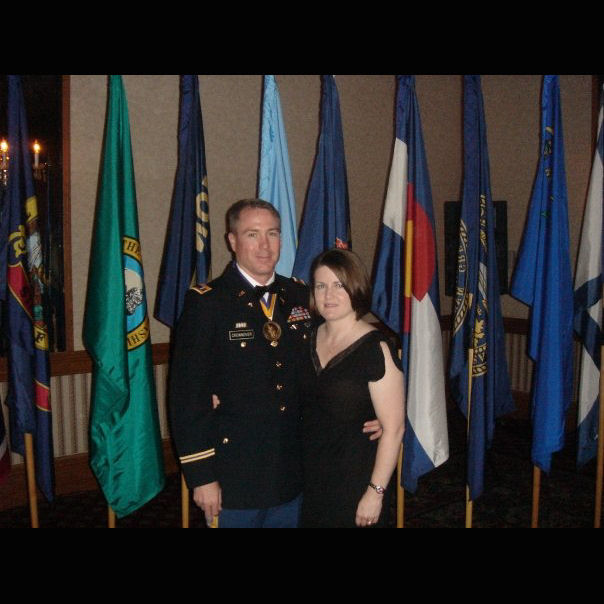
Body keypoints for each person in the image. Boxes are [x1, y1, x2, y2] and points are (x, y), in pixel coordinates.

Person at [168, 199, 380, 528]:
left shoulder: (300, 295)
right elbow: (187, 397)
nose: (265, 246)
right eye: (252, 234)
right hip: (234, 475)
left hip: (294, 471)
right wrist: (202, 476)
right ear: (232, 240)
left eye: (273, 233)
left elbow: (340, 358)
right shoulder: (208, 304)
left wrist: (373, 410)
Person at [300, 248, 405, 528]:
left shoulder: (376, 348)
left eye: (339, 285)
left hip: (356, 481)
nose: (328, 295)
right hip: (310, 478)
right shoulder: (305, 337)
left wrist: (375, 492)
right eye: (321, 286)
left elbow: (394, 429)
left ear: (355, 288)